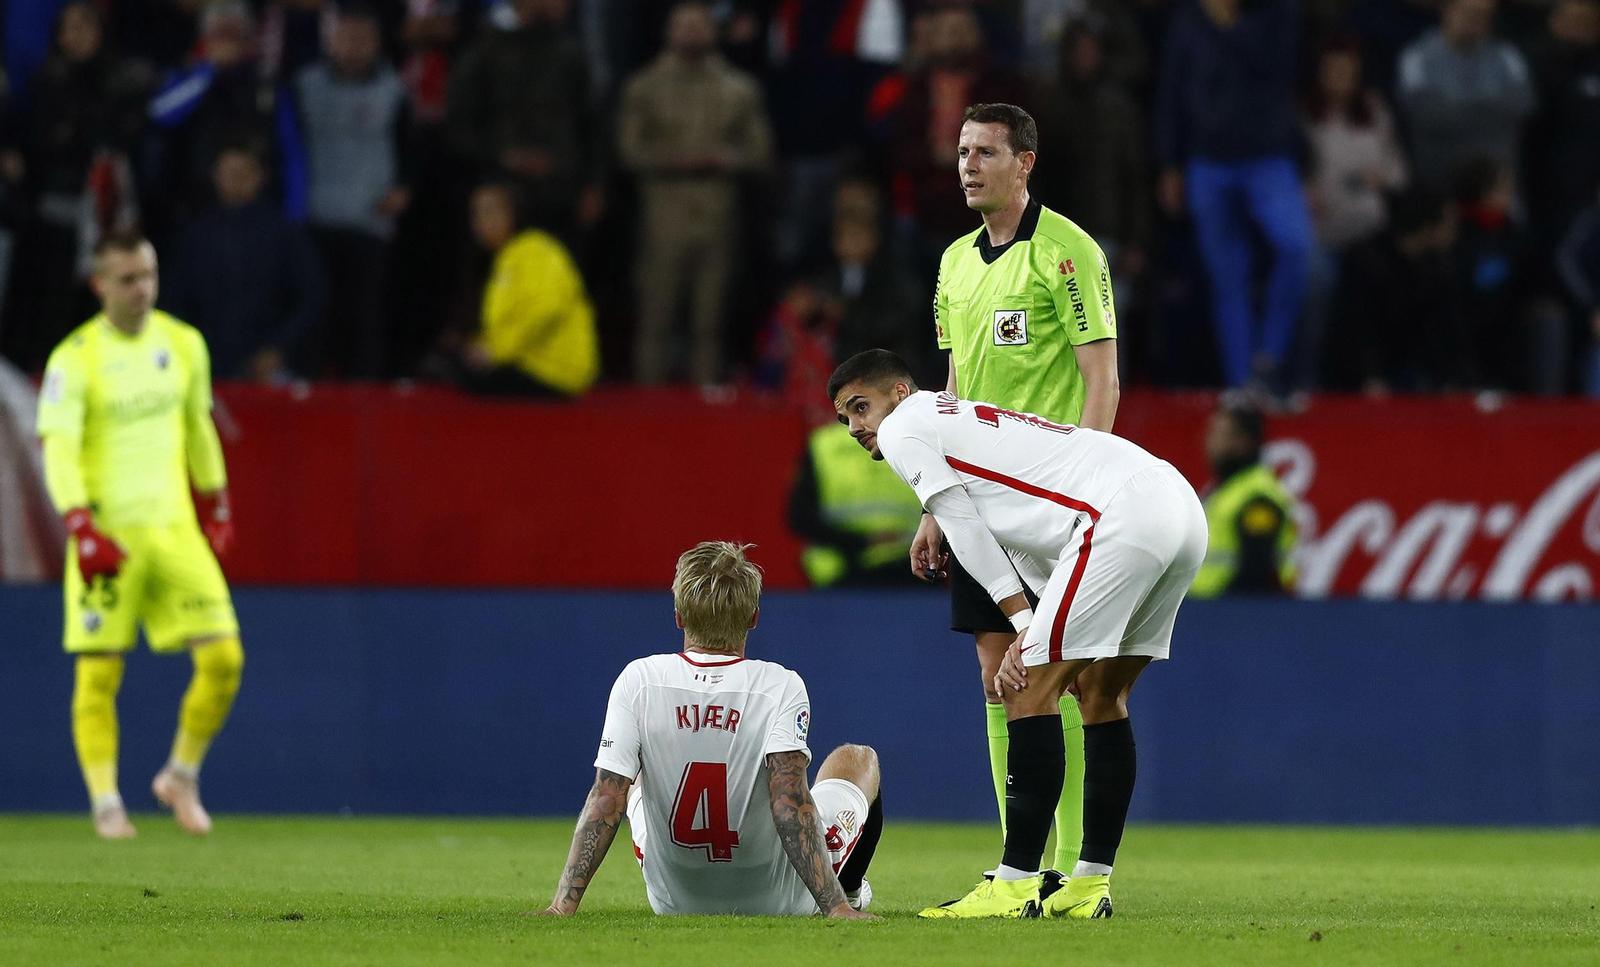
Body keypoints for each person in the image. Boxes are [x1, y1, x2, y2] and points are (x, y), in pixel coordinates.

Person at [827, 349, 1205, 920]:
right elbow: (1028, 539)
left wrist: (1025, 632)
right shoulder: (959, 423)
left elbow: (964, 529)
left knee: (1027, 689)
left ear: (900, 395)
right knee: (1103, 697)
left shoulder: (907, 427)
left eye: (861, 407)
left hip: (1119, 515)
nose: (856, 426)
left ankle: (1013, 884)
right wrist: (1039, 629)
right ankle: (1087, 886)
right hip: (1176, 504)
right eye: (844, 417)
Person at [914, 101, 1121, 885]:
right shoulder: (954, 263)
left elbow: (1101, 376)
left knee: (1047, 674)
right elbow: (956, 386)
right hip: (977, 502)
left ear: (1025, 163)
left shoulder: (1068, 252)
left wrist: (1087, 485)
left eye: (986, 152)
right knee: (994, 672)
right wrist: (936, 498)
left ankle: (1062, 865)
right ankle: (1021, 865)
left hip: (1050, 499)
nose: (968, 164)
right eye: (963, 151)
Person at [537, 541, 881, 918]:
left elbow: (606, 799)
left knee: (628, 778)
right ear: (753, 617)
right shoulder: (779, 686)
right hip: (780, 900)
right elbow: (788, 801)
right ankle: (848, 893)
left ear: (679, 616)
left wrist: (561, 907)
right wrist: (833, 908)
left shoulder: (639, 680)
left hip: (674, 900)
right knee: (857, 759)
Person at [35, 231, 244, 840]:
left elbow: (198, 426)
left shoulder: (183, 343)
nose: (142, 289)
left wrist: (219, 502)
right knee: (99, 674)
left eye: (149, 274)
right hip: (108, 535)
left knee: (225, 659)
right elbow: (59, 448)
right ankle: (106, 803)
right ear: (100, 285)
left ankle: (181, 772)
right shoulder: (74, 358)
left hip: (175, 531)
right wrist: (79, 523)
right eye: (128, 279)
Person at [1154, 0, 1314, 391]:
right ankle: (1242, 386)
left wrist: (1230, 23)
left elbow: (1281, 67)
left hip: (1268, 156)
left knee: (1298, 249)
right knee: (1228, 277)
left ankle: (1269, 356)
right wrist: (1168, 162)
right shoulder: (1188, 18)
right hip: (1207, 160)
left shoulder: (1279, 13)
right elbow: (1172, 87)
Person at [617, 0, 774, 386]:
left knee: (711, 321)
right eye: (682, 24)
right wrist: (676, 159)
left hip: (718, 216)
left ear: (714, 30)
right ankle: (646, 408)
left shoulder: (739, 89)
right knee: (656, 318)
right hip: (662, 216)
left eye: (698, 24)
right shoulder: (644, 87)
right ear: (668, 30)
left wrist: (725, 158)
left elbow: (761, 152)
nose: (690, 32)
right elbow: (627, 150)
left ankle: (709, 411)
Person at [294, 5, 411, 378]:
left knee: (365, 313)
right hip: (315, 216)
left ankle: (366, 397)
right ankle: (310, 391)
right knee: (314, 309)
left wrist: (404, 188)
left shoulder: (394, 91)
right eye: (346, 38)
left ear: (378, 44)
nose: (354, 46)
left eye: (363, 39)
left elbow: (413, 148)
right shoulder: (304, 86)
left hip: (369, 218)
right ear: (330, 41)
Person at [161, 142, 322, 381]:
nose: (236, 181)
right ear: (215, 173)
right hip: (204, 359)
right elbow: (172, 300)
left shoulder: (285, 234)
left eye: (244, 173)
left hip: (269, 362)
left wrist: (279, 347)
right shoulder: (195, 233)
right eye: (228, 173)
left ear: (261, 176)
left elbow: (310, 298)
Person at [431, 182, 598, 396]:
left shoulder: (536, 249)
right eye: (476, 214)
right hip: (525, 363)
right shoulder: (505, 257)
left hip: (553, 371)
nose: (482, 222)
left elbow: (545, 309)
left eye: (491, 211)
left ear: (514, 212)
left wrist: (492, 351)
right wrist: (479, 346)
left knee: (461, 374)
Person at [1396, 0, 1536, 193]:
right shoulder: (1416, 57)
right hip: (1440, 182)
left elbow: (1523, 105)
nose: (1477, 20)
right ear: (1447, 9)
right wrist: (1492, 109)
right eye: (1469, 12)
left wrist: (1459, 107)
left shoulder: (1507, 55)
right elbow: (1427, 114)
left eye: (1485, 14)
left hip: (1497, 187)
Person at [788, 420, 927, 588]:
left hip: (845, 575)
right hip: (906, 571)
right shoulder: (917, 441)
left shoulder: (825, 444)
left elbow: (800, 517)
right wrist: (865, 541)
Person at [1189, 404, 1298, 598]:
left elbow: (1256, 572)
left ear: (1243, 442)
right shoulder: (1228, 489)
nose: (1209, 441)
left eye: (1219, 434)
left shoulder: (1258, 497)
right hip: (1207, 611)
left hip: (1234, 615)